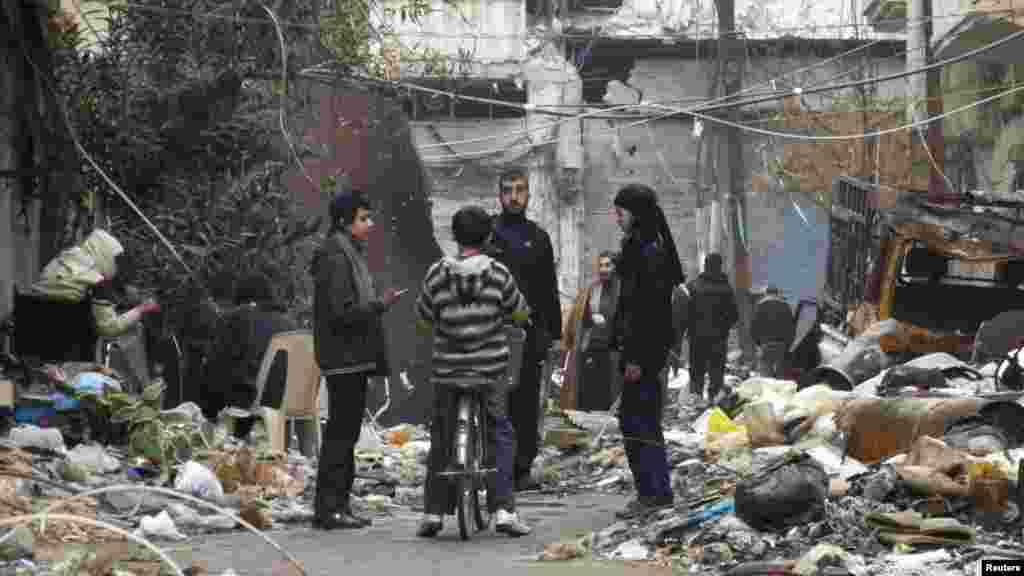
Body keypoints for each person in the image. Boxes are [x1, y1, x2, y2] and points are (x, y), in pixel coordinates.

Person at [414, 205, 532, 538]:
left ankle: (434, 513)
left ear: (454, 236)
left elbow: (423, 316)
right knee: (499, 433)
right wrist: (516, 319)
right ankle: (505, 511)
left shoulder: (436, 274)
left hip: (448, 371)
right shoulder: (498, 274)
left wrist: (442, 324)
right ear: (488, 236)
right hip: (489, 369)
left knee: (442, 435)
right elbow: (519, 312)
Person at [311, 189, 404, 530]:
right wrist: (380, 304)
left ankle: (338, 505)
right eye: (363, 218)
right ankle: (329, 508)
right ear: (344, 221)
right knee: (341, 433)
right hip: (344, 357)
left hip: (352, 357)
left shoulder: (347, 251)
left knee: (345, 432)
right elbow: (340, 311)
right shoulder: (335, 255)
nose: (370, 224)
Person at [609, 184, 685, 519]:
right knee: (642, 420)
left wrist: (636, 358)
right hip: (648, 351)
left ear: (635, 214)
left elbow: (645, 311)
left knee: (637, 421)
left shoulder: (646, 251)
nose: (616, 218)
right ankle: (655, 492)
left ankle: (652, 493)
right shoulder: (649, 246)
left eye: (620, 212)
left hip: (644, 353)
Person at [486, 168, 562, 491]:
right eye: (507, 190)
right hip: (489, 333)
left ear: (529, 195)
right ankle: (492, 468)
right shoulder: (487, 234)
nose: (513, 196)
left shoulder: (539, 237)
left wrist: (553, 335)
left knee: (526, 403)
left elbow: (548, 289)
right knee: (492, 401)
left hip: (528, 335)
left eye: (519, 190)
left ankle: (521, 469)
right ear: (499, 195)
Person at [202, 274, 299, 434]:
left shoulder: (238, 317)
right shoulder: (290, 324)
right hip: (284, 408)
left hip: (245, 408)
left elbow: (216, 366)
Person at [30, 229, 160, 338]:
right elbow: (109, 328)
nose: (116, 268)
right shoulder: (97, 282)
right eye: (116, 261)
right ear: (105, 255)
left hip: (30, 304)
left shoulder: (70, 254)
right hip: (45, 329)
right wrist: (141, 309)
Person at [561, 251, 622, 411]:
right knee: (591, 398)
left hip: (615, 352)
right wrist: (590, 319)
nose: (603, 269)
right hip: (593, 349)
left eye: (608, 265)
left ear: (616, 267)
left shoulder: (623, 289)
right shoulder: (592, 289)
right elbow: (579, 316)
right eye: (601, 265)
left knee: (613, 395)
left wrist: (609, 323)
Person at [686, 253, 738, 403]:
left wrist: (690, 327)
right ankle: (713, 400)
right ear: (719, 266)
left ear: (705, 265)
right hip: (719, 339)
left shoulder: (693, 286)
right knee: (716, 370)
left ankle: (695, 399)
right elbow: (734, 315)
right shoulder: (726, 289)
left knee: (696, 369)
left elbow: (685, 312)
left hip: (697, 338)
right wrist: (724, 326)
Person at [752, 286, 796, 379]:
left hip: (765, 343)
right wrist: (788, 344)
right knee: (781, 373)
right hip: (781, 344)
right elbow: (791, 328)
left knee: (766, 373)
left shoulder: (760, 305)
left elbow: (754, 326)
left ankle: (768, 390)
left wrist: (758, 342)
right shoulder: (785, 305)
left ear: (766, 293)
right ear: (777, 293)